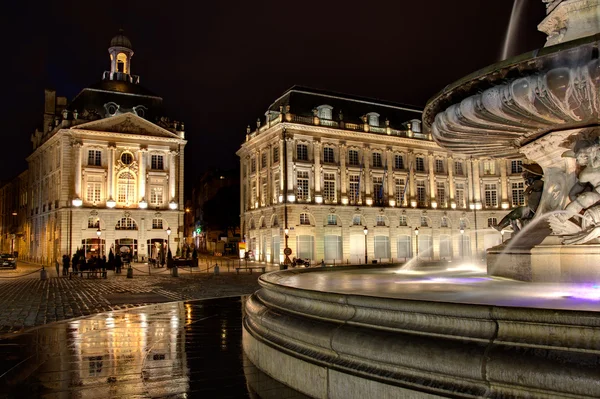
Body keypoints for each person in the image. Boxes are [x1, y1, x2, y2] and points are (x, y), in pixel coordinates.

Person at [493, 163, 544, 233]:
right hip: (532, 208)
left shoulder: (538, 182)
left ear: (533, 175)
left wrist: (527, 191)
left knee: (516, 213)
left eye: (527, 172)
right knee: (514, 214)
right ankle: (500, 226)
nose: (525, 174)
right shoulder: (536, 183)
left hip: (534, 209)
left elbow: (532, 189)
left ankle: (500, 226)